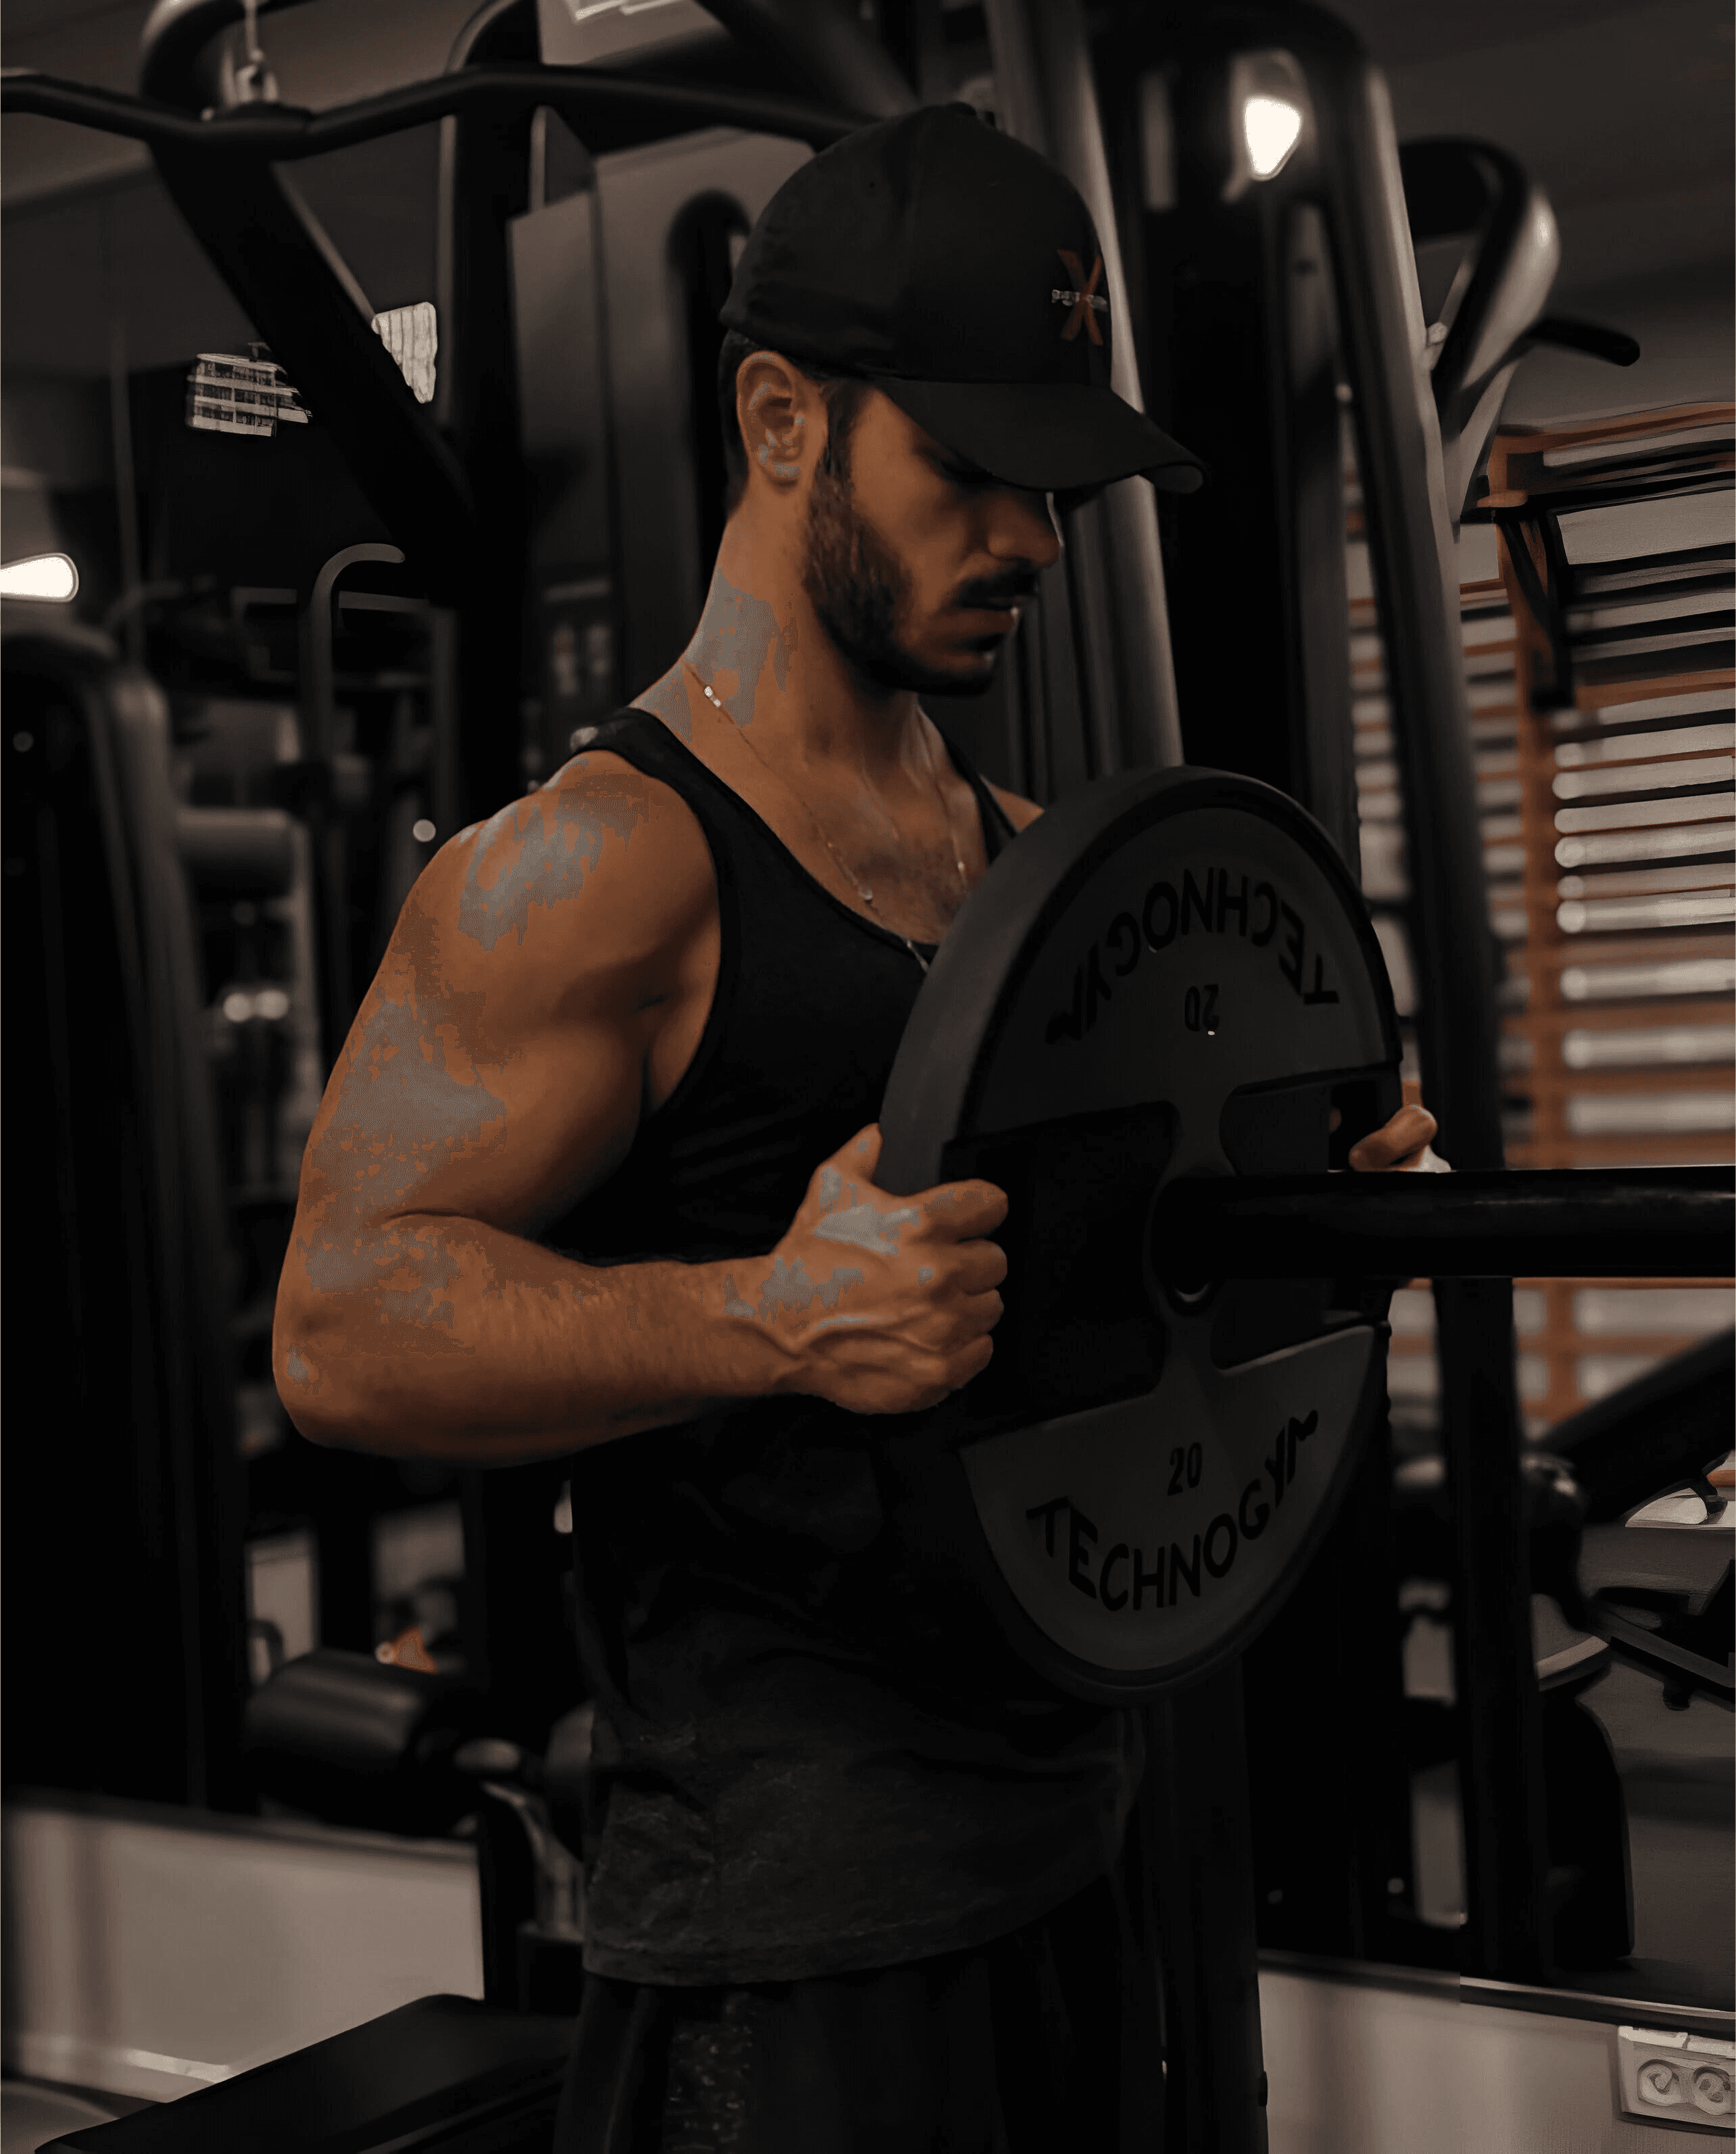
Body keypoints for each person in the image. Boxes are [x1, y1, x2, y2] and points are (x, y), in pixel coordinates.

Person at [274, 104, 1447, 2153]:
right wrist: (768, 1319)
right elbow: (344, 1328)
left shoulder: (1015, 863)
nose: (1028, 540)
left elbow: (1073, 1314)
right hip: (789, 1962)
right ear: (783, 418)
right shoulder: (604, 868)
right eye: (972, 474)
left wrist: (1297, 1224)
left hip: (1076, 1856)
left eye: (1055, 487)